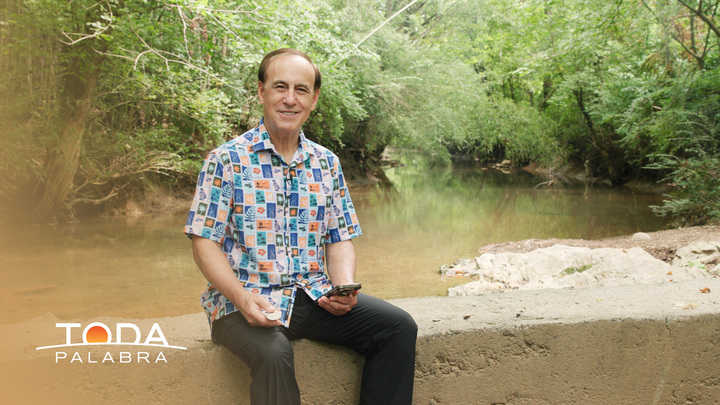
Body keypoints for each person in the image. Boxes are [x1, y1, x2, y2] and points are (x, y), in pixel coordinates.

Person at [183, 48, 417, 405]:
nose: (290, 99)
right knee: (274, 354)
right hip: (243, 303)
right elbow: (204, 243)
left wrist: (341, 287)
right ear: (261, 92)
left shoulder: (326, 163)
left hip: (312, 295)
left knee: (398, 327)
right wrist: (242, 298)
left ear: (314, 99)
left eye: (301, 89)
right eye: (280, 87)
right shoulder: (226, 160)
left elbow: (339, 238)